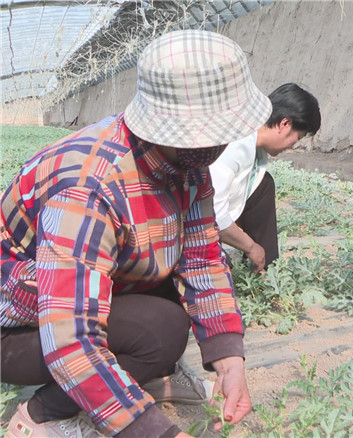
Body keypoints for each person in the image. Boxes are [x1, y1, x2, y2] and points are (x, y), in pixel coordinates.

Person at [1, 30, 269, 438]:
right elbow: (70, 338)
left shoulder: (187, 166)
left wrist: (230, 360)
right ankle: (41, 415)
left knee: (170, 291)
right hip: (19, 324)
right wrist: (153, 431)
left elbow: (202, 259)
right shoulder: (88, 186)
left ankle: (146, 373)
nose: (222, 143)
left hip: (74, 296)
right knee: (161, 330)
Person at [210, 83, 321, 272]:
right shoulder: (233, 147)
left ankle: (266, 270)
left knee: (263, 185)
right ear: (284, 124)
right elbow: (214, 216)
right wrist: (250, 246)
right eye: (298, 137)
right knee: (219, 271)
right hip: (184, 225)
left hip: (206, 218)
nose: (294, 145)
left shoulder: (252, 139)